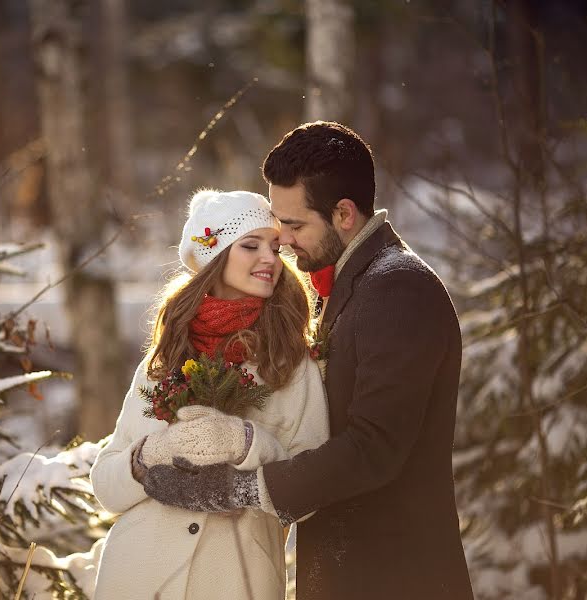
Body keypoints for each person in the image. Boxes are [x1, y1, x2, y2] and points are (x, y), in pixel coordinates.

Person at [142, 122, 475, 600]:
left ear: (343, 213)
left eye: (295, 225)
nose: (284, 241)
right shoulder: (346, 283)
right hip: (348, 572)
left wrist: (241, 489)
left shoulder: (400, 289)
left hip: (396, 573)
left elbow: (374, 447)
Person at [89, 189, 330, 600]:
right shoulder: (165, 358)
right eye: (250, 246)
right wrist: (149, 454)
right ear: (213, 258)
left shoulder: (290, 361)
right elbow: (106, 486)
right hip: (137, 577)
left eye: (274, 246)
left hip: (233, 582)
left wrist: (247, 443)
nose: (270, 258)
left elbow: (312, 491)